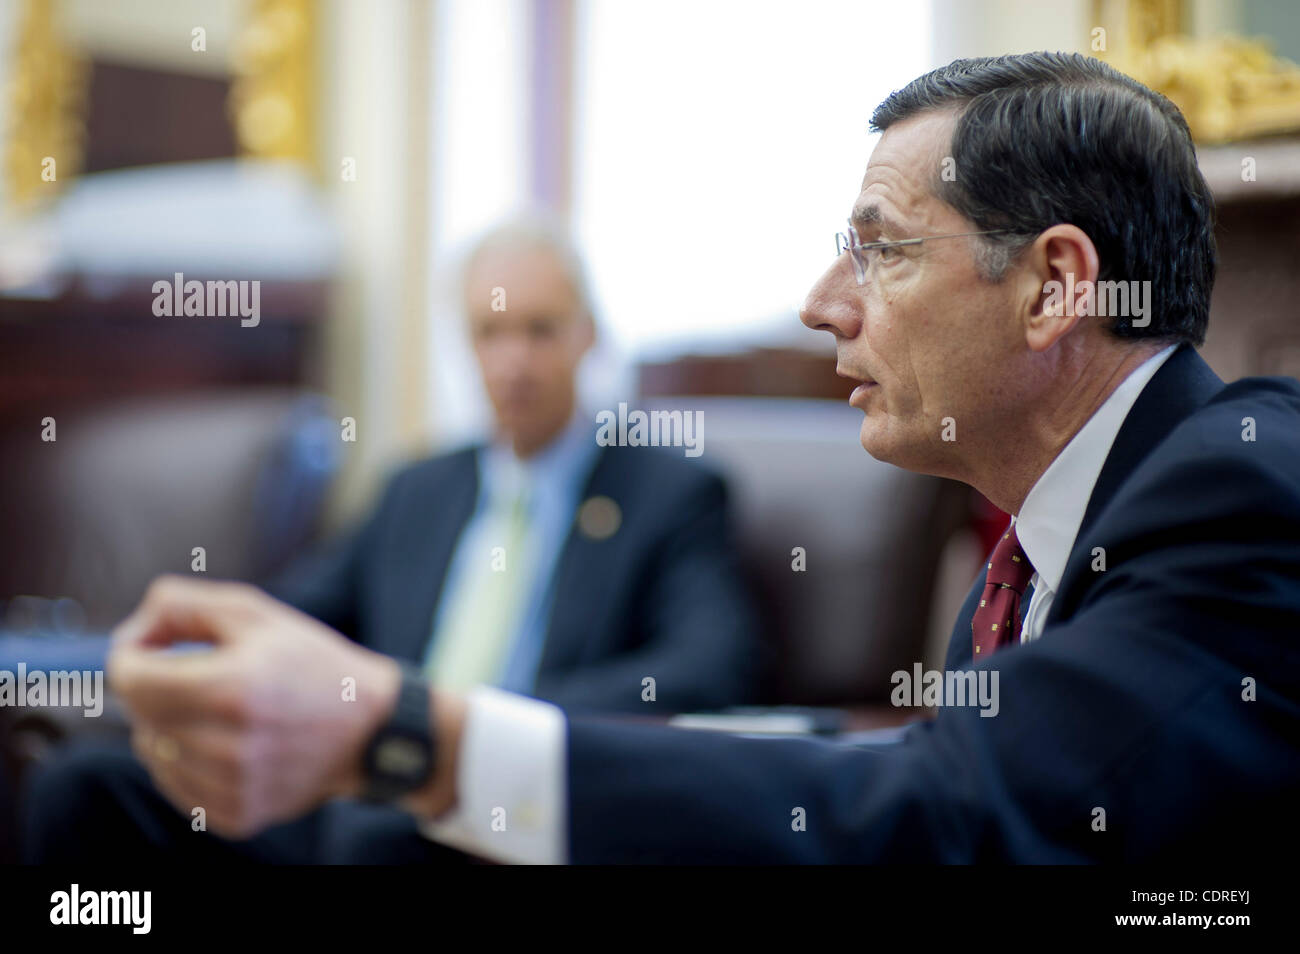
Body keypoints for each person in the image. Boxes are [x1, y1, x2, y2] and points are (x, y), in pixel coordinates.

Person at [29, 52, 1300, 864]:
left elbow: (948, 815)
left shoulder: (1233, 488)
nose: (821, 303)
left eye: (881, 251)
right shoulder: (1026, 556)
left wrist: (405, 734)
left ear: (1052, 289)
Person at [22, 219, 761, 864]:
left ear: (588, 335)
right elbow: (303, 614)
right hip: (359, 792)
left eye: (540, 329)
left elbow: (706, 668)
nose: (514, 361)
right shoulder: (419, 489)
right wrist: (203, 651)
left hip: (507, 807)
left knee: (375, 840)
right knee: (81, 787)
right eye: (490, 332)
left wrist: (475, 731)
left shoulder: (668, 492)